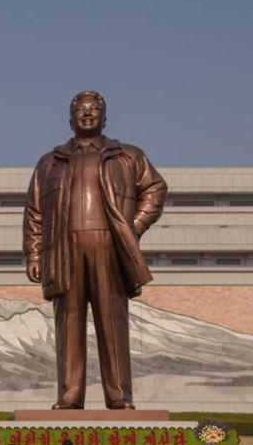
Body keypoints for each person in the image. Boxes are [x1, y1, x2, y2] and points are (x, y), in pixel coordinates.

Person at [23, 90, 166, 409]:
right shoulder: (50, 162)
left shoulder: (127, 155)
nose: (87, 114)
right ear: (69, 119)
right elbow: (34, 211)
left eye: (94, 109)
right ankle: (70, 394)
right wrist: (34, 253)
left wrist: (134, 226)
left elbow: (155, 188)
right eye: (80, 110)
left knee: (112, 322)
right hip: (64, 250)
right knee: (68, 324)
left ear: (105, 117)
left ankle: (119, 395)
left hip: (108, 248)